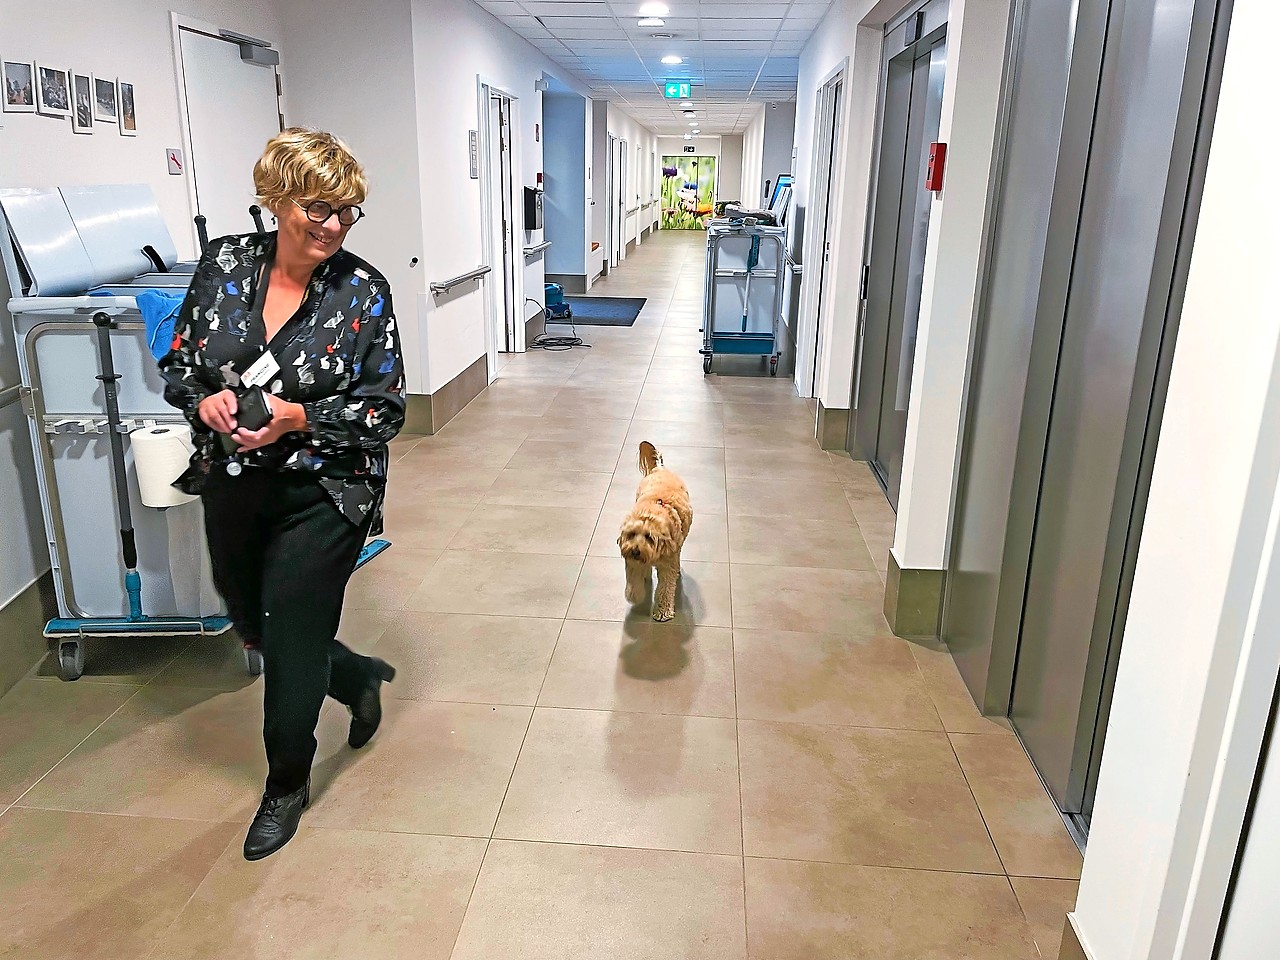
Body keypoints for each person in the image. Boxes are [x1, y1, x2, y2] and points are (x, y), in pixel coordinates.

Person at [160, 128, 405, 861]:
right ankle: (357, 674)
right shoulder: (226, 264)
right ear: (277, 202)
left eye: (348, 212)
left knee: (293, 638)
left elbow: (384, 410)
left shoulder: (362, 291)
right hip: (232, 477)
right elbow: (182, 364)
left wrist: (299, 417)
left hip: (326, 488)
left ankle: (286, 783)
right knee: (254, 623)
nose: (334, 226)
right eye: (319, 209)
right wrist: (202, 402)